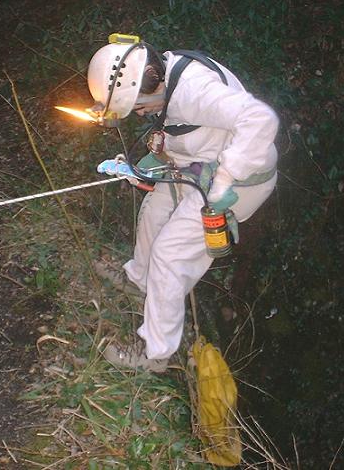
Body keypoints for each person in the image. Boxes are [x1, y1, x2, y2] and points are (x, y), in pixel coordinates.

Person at [87, 36, 279, 372]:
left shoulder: (193, 90)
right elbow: (185, 135)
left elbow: (261, 119)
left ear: (151, 77)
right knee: (153, 215)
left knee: (171, 254)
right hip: (197, 168)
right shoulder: (165, 74)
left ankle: (156, 352)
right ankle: (141, 282)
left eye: (137, 106)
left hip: (234, 183)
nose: (139, 113)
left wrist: (225, 177)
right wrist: (141, 166)